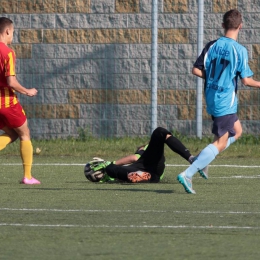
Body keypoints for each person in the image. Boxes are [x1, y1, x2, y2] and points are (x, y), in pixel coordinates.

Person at [177, 9, 260, 194]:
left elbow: (196, 70)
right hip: (225, 101)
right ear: (241, 26)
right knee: (221, 142)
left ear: (223, 25)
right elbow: (246, 81)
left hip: (212, 97)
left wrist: (213, 78)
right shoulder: (239, 50)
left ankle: (201, 159)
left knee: (237, 131)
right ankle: (188, 173)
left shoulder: (212, 45)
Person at [86, 127, 208, 183]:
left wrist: (110, 164)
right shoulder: (145, 151)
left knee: (112, 168)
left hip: (146, 168)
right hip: (152, 171)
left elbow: (135, 157)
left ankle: (139, 176)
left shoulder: (144, 150)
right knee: (160, 132)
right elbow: (134, 158)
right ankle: (191, 158)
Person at [0, 17, 40, 184]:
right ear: (7, 31)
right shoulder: (7, 52)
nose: (12, 36)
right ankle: (28, 176)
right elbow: (11, 82)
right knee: (25, 134)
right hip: (7, 103)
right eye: (13, 33)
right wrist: (27, 91)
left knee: (12, 134)